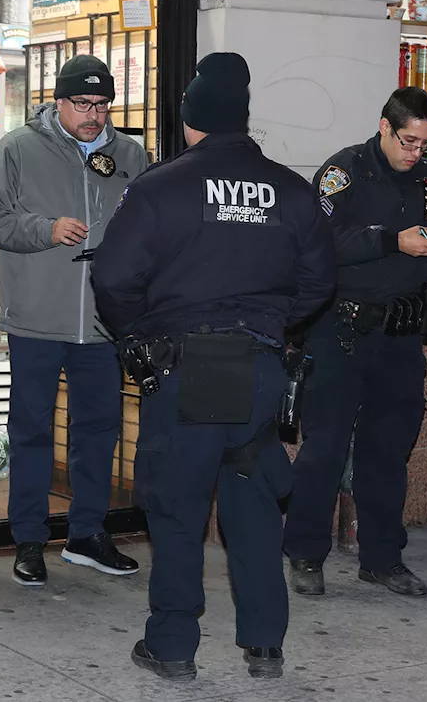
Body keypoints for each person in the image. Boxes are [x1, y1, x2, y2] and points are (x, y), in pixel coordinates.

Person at [91, 53, 336, 682]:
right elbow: (319, 283)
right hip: (260, 369)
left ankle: (173, 646)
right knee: (252, 505)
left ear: (189, 121)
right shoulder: (290, 188)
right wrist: (272, 323)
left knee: (176, 508)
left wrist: (140, 337)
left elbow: (114, 278)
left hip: (185, 369)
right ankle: (265, 645)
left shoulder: (159, 187)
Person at [281, 86, 427, 600]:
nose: (416, 153)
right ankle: (304, 553)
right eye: (409, 141)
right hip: (341, 332)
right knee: (323, 448)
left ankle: (383, 558)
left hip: (401, 336)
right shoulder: (344, 172)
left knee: (388, 451)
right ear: (386, 127)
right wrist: (392, 240)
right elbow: (320, 242)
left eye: (425, 145)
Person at [0, 55, 148, 587]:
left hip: (102, 324)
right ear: (59, 101)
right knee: (31, 432)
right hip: (36, 321)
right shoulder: (19, 148)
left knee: (98, 431)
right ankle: (28, 538)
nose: (93, 115)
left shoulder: (131, 155)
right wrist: (45, 230)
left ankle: (88, 534)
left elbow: (148, 228)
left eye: (102, 105)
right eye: (82, 104)